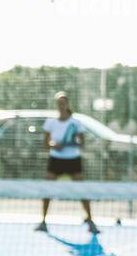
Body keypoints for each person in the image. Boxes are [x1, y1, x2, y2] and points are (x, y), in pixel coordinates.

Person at [37, 91, 98, 235]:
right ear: (56, 105)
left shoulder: (75, 123)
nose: (61, 106)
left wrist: (70, 142)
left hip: (73, 160)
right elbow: (46, 144)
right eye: (59, 103)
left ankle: (90, 220)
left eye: (63, 103)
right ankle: (43, 221)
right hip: (55, 160)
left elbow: (82, 142)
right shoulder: (50, 122)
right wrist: (54, 145)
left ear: (67, 104)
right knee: (47, 189)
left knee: (81, 190)